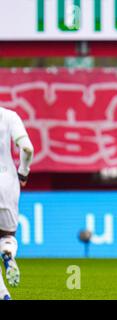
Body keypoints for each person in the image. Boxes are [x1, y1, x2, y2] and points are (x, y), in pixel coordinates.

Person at [0, 107, 34, 300]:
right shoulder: (10, 116)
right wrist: (24, 170)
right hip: (7, 182)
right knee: (7, 235)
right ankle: (7, 253)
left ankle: (3, 294)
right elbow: (28, 148)